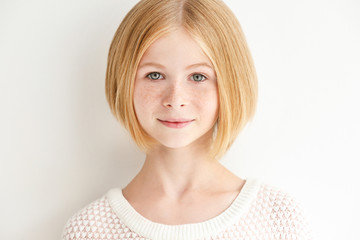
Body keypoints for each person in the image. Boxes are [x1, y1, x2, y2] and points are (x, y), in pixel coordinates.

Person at [62, 0, 312, 239]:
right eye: (155, 75)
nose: (176, 99)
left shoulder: (276, 218)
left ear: (231, 83)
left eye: (198, 77)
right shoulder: (91, 230)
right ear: (123, 82)